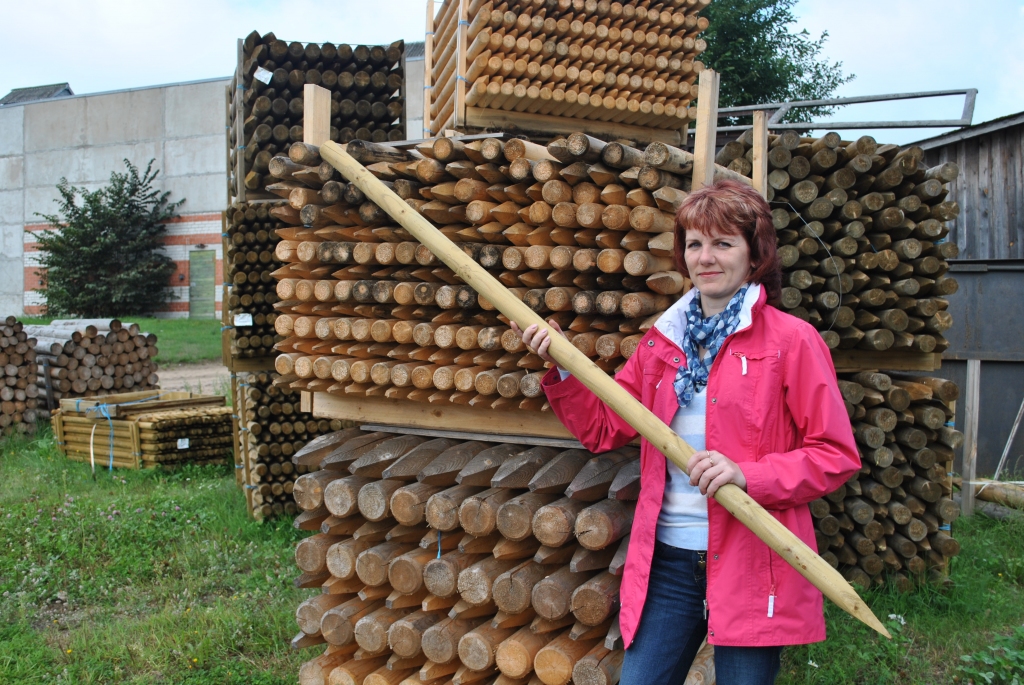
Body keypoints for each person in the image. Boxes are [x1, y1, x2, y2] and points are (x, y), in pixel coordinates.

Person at [511, 180, 861, 685]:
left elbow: (834, 454)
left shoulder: (792, 342)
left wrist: (749, 474)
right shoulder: (663, 343)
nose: (706, 257)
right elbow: (605, 427)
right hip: (669, 564)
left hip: (752, 560)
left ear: (754, 253)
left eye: (723, 243)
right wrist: (562, 364)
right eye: (695, 243)